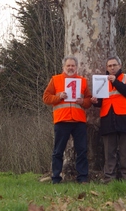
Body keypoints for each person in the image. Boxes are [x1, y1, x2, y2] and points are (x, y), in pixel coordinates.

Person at [43, 55, 92, 184]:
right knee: (58, 151)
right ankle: (56, 178)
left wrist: (83, 101)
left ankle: (82, 178)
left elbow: (88, 101)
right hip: (62, 120)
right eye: (68, 65)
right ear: (63, 67)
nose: (70, 68)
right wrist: (58, 96)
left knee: (81, 150)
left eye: (73, 66)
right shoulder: (55, 80)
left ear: (76, 67)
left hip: (79, 120)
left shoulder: (82, 81)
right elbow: (46, 98)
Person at [91, 56, 126, 183]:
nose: (112, 68)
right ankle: (109, 178)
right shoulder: (102, 81)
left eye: (114, 65)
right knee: (109, 152)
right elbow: (101, 101)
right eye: (109, 66)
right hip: (108, 119)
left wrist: (115, 81)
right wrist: (95, 102)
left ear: (120, 66)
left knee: (125, 151)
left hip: (124, 118)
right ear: (106, 68)